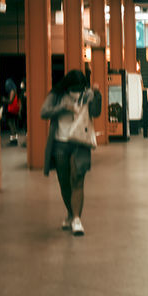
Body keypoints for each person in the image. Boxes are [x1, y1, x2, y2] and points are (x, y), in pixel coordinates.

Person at [40, 69, 101, 236]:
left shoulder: (87, 94)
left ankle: (76, 219)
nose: (77, 93)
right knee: (64, 182)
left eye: (80, 89)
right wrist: (63, 107)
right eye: (74, 89)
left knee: (78, 180)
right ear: (67, 86)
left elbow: (96, 112)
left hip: (80, 143)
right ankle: (70, 213)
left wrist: (97, 94)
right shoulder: (56, 95)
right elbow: (43, 112)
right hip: (60, 143)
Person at [3, 78, 21, 146]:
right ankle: (15, 140)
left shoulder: (12, 91)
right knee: (13, 124)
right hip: (14, 109)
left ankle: (13, 141)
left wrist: (4, 100)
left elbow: (10, 101)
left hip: (11, 109)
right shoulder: (15, 90)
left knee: (11, 125)